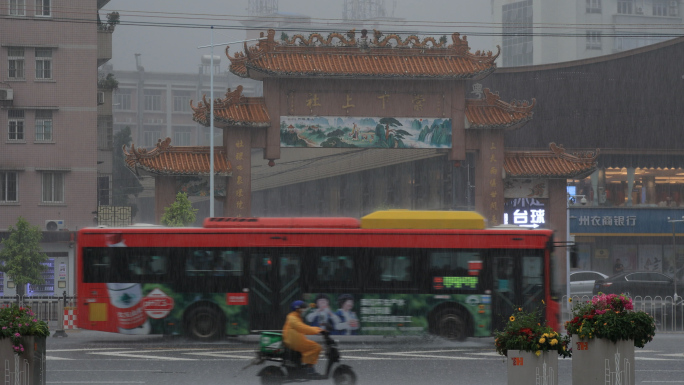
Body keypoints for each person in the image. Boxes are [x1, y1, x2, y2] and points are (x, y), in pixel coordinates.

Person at [283, 300, 324, 375]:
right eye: (303, 308)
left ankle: (302, 365)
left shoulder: (296, 317)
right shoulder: (292, 317)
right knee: (316, 347)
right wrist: (318, 330)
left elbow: (303, 327)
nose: (304, 310)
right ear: (297, 309)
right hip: (294, 342)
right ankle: (308, 367)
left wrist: (317, 329)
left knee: (313, 346)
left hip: (296, 341)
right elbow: (302, 328)